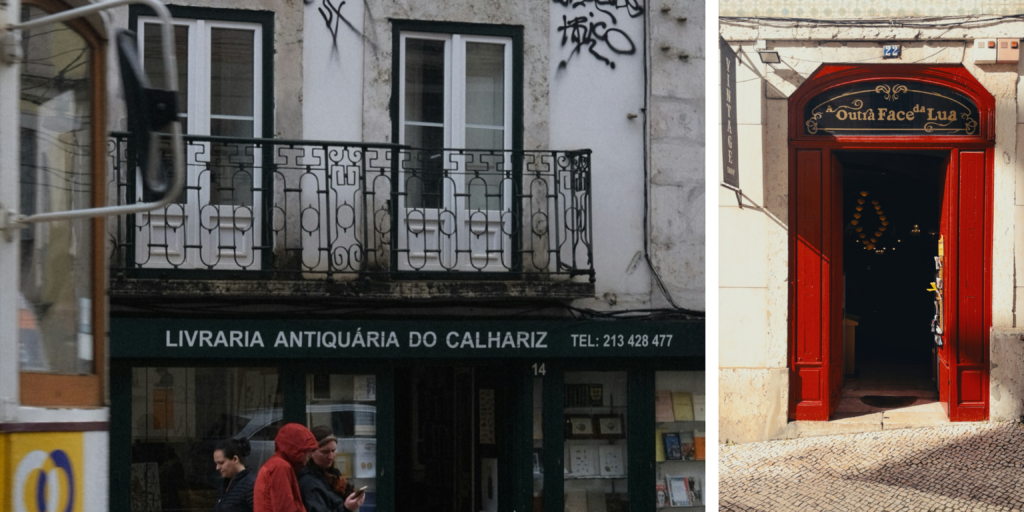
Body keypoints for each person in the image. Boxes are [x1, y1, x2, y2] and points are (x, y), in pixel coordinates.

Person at [254, 422, 320, 512]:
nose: (310, 455)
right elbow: (284, 507)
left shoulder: (275, 465)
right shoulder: (281, 467)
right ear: (297, 449)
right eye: (308, 451)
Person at [298, 425, 365, 512]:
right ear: (311, 452)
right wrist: (346, 508)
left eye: (333, 451)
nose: (331, 456)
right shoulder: (308, 482)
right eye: (325, 452)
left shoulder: (333, 476)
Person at [213, 437, 256, 512]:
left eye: (221, 463)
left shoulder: (250, 485)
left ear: (235, 459)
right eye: (216, 463)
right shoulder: (226, 483)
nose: (217, 468)